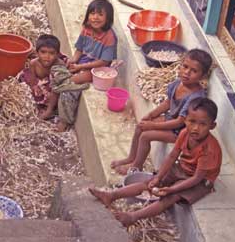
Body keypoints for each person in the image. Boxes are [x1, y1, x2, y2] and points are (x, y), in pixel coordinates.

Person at [89, 97, 221, 227]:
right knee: (149, 183)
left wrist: (172, 189)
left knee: (171, 197)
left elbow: (197, 178)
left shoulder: (209, 150)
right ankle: (111, 195)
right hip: (183, 168)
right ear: (185, 119)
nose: (195, 128)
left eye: (202, 124)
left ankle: (133, 217)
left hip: (201, 181)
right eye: (192, 121)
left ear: (212, 126)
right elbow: (172, 156)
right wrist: (158, 177)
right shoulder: (185, 133)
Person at [111, 49, 212, 175]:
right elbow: (168, 103)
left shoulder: (195, 97)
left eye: (194, 71)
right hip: (171, 120)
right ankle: (131, 158)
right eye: (185, 67)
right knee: (140, 126)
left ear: (202, 76)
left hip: (181, 132)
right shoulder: (179, 83)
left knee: (145, 136)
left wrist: (152, 125)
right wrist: (151, 115)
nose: (187, 72)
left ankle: (136, 167)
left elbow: (180, 122)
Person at [19, 34, 89, 131]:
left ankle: (49, 110)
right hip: (41, 84)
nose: (47, 57)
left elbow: (58, 84)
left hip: (54, 87)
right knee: (26, 83)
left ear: (57, 54)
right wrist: (34, 86)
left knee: (58, 88)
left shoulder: (59, 64)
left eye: (51, 53)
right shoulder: (34, 63)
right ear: (37, 52)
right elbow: (32, 77)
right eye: (43, 52)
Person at [68, 0, 118, 84]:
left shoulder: (109, 37)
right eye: (92, 13)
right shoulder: (87, 29)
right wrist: (73, 60)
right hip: (84, 61)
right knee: (60, 72)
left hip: (98, 68)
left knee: (72, 81)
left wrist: (80, 66)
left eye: (100, 14)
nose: (95, 17)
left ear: (108, 19)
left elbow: (103, 62)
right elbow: (79, 49)